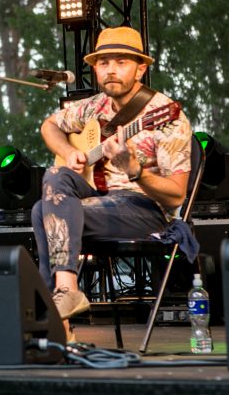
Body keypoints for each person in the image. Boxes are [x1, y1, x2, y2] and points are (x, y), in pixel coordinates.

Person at [31, 26, 192, 337]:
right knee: (55, 173)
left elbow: (175, 197)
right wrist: (68, 151)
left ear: (141, 68)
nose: (111, 70)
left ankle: (56, 324)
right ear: (95, 68)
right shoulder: (95, 106)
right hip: (97, 200)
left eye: (121, 62)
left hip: (145, 210)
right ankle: (66, 292)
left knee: (42, 211)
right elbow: (50, 125)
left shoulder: (165, 116)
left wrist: (136, 170)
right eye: (104, 63)